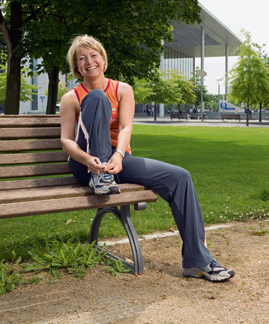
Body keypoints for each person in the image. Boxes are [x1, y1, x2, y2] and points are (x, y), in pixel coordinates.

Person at [60, 35, 235, 283]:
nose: (89, 62)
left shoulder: (122, 89)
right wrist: (89, 160)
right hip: (84, 164)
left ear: (103, 59)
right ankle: (100, 177)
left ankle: (198, 261)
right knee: (97, 97)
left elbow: (125, 129)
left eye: (94, 55)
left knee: (180, 177)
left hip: (116, 160)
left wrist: (120, 156)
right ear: (77, 67)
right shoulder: (71, 97)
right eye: (81, 59)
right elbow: (66, 141)